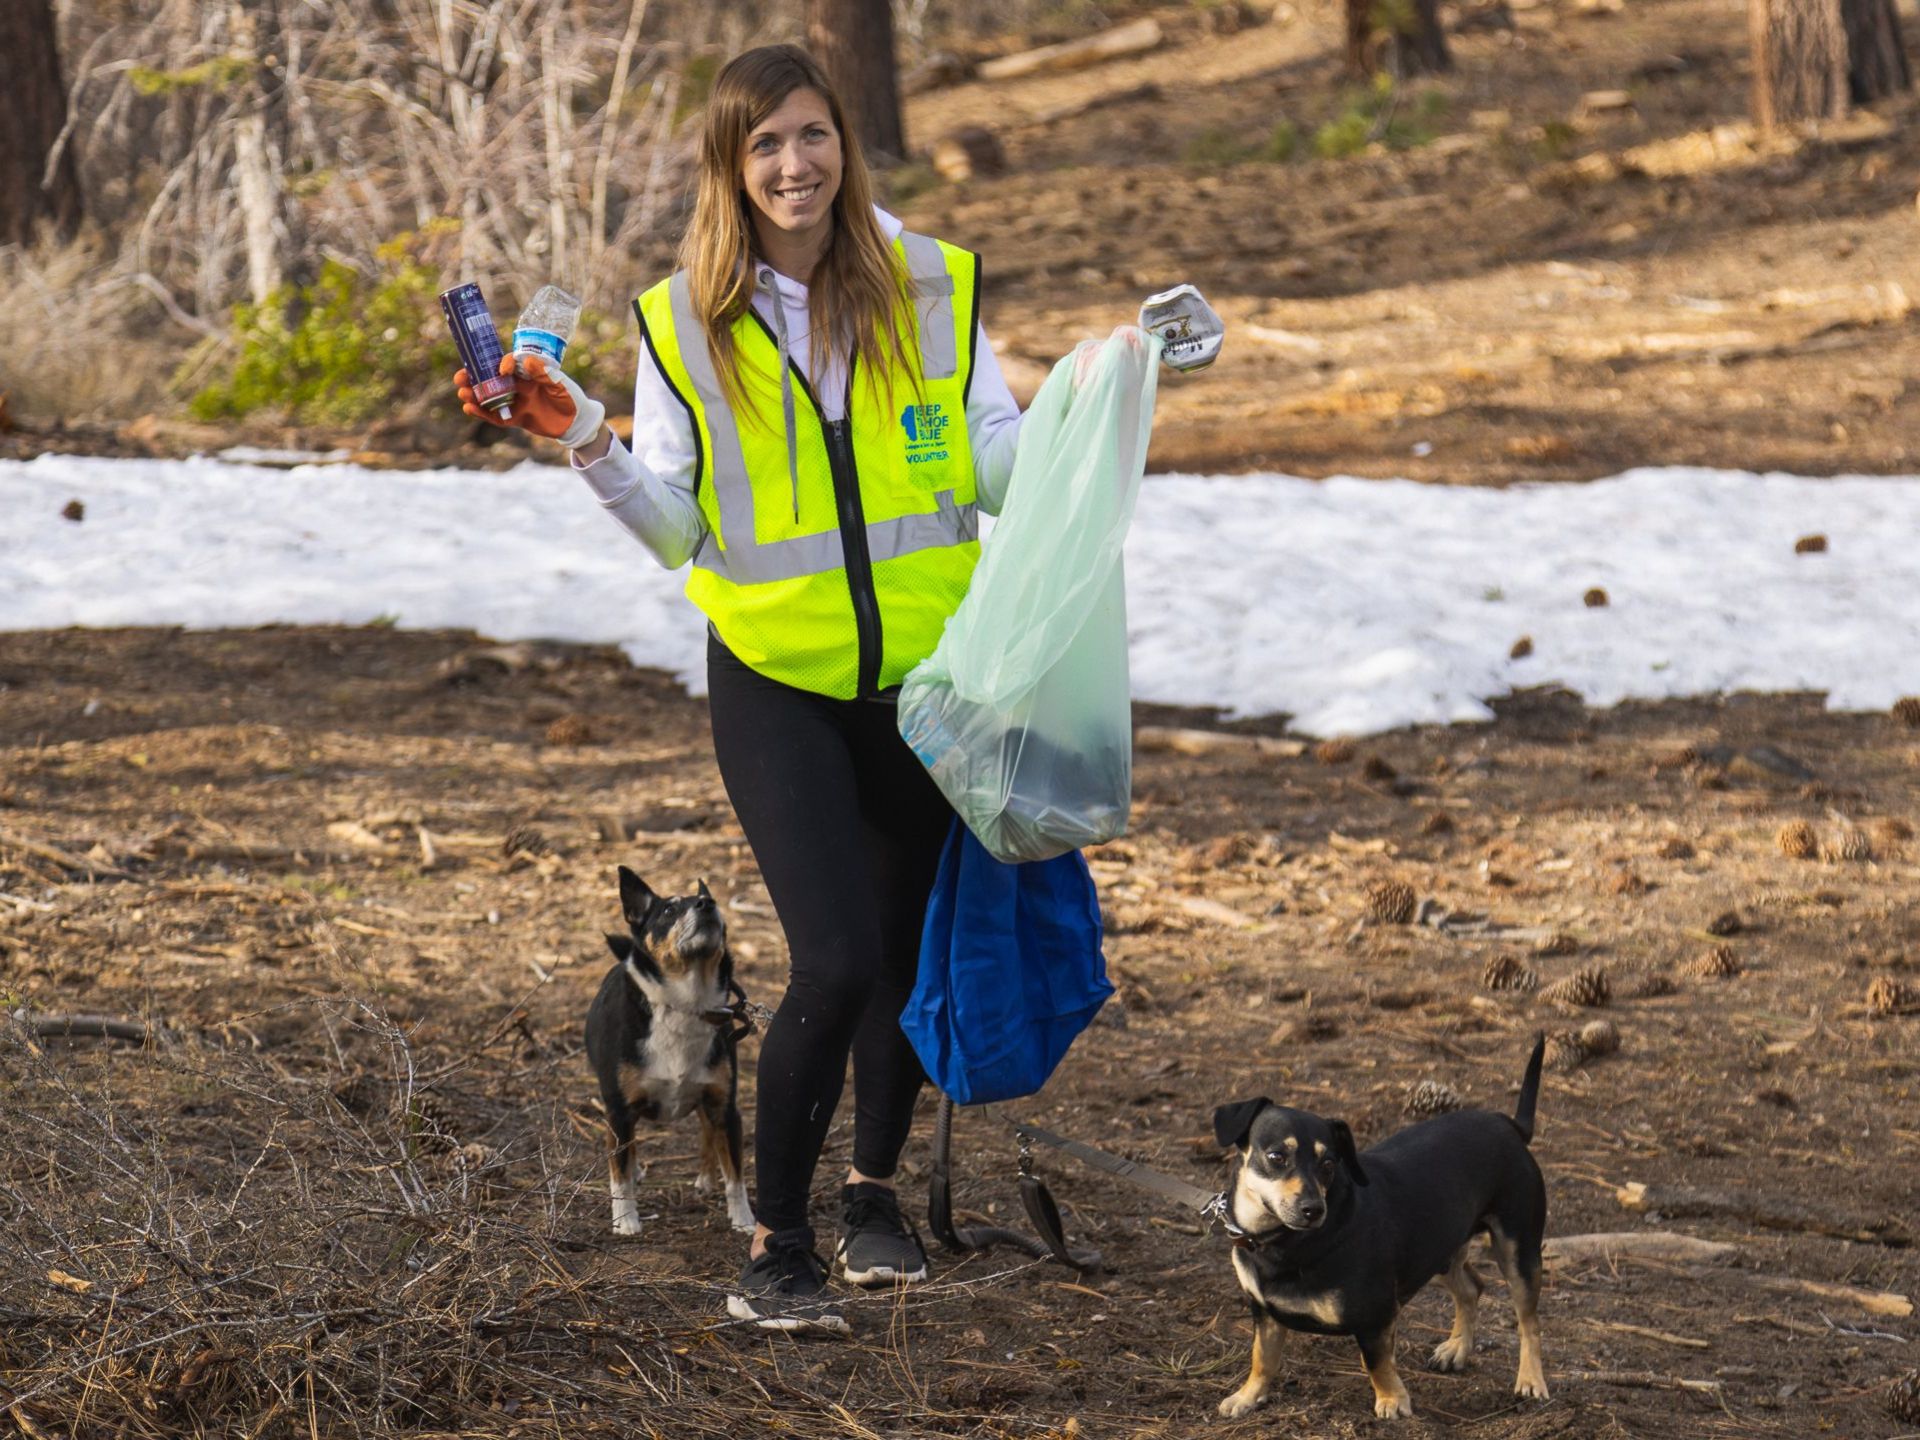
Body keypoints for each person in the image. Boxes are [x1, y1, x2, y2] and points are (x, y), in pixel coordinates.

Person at [455, 43, 1027, 1333]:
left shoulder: (931, 284)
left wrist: (1091, 411)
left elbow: (991, 459)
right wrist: (583, 439)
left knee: (899, 952)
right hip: (774, 676)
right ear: (730, 163)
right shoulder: (683, 320)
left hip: (928, 680)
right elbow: (672, 528)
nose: (794, 164)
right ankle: (777, 1240)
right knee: (829, 954)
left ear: (846, 143)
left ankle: (872, 1195)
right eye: (764, 144)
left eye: (813, 134)